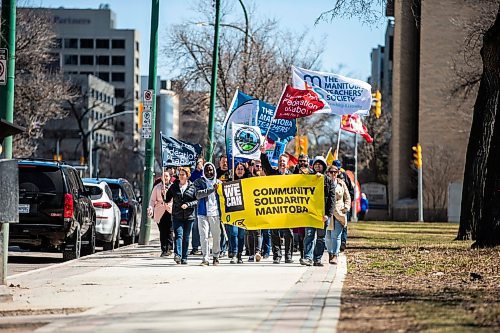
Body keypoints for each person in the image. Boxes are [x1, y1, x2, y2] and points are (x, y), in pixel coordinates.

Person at [260, 145, 294, 264]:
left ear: (287, 163)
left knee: (288, 233)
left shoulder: (293, 176)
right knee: (274, 233)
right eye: (280, 161)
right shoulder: (273, 173)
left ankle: (288, 256)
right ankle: (277, 255)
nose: (281, 163)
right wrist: (263, 154)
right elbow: (266, 165)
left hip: (288, 210)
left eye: (283, 161)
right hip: (275, 209)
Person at [300, 156, 335, 267]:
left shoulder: (328, 180)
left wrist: (328, 214)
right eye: (316, 164)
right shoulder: (307, 178)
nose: (317, 166)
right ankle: (308, 258)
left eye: (320, 164)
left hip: (323, 215)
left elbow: (331, 199)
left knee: (321, 238)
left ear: (324, 166)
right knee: (309, 236)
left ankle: (317, 259)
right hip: (310, 214)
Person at [164, 167, 198, 265]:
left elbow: (196, 201)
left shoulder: (192, 186)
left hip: (189, 216)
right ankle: (177, 255)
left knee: (186, 237)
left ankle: (184, 257)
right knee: (178, 235)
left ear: (187, 176)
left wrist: (188, 204)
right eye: (180, 174)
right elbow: (167, 199)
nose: (181, 176)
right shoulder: (174, 186)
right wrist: (164, 194)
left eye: (183, 174)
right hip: (177, 215)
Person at [193, 162, 222, 266]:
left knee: (216, 236)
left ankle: (216, 256)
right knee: (204, 236)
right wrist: (211, 189)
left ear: (214, 170)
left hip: (215, 213)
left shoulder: (219, 183)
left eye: (211, 170)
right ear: (204, 171)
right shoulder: (198, 182)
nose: (209, 172)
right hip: (202, 213)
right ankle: (205, 258)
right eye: (207, 170)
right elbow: (197, 194)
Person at [325, 165, 351, 264]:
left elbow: (347, 197)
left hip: (339, 212)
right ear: (327, 173)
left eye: (335, 172)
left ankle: (335, 255)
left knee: (336, 235)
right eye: (331, 172)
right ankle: (330, 253)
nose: (333, 174)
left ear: (338, 173)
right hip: (327, 213)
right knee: (327, 236)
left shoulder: (341, 183)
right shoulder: (324, 182)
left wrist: (346, 208)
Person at [147, 170, 174, 257]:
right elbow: (152, 200)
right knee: (162, 231)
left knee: (170, 230)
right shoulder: (157, 187)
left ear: (170, 177)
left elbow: (175, 199)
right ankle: (164, 249)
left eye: (167, 176)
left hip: (170, 210)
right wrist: (151, 208)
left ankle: (169, 248)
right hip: (160, 211)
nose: (165, 178)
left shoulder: (173, 187)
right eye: (163, 176)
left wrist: (171, 205)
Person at [228, 162, 250, 264]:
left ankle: (240, 254)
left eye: (242, 169)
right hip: (233, 212)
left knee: (241, 235)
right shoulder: (230, 181)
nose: (240, 171)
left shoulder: (248, 181)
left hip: (244, 213)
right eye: (238, 169)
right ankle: (234, 254)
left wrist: (247, 167)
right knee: (233, 233)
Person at [293, 153, 313, 259]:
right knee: (301, 234)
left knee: (309, 234)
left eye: (304, 161)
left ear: (308, 162)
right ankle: (303, 255)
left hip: (310, 208)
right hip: (299, 208)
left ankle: (308, 254)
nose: (302, 163)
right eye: (300, 161)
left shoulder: (313, 173)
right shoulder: (294, 173)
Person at [333, 160, 354, 252]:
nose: (335, 172)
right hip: (333, 208)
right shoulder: (329, 178)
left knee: (343, 224)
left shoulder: (345, 177)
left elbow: (350, 192)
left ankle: (342, 242)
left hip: (342, 207)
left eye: (337, 169)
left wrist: (347, 205)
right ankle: (335, 244)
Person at [189, 158, 205, 256]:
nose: (198, 164)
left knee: (205, 226)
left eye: (200, 162)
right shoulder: (193, 174)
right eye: (197, 162)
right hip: (195, 202)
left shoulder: (205, 172)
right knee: (195, 226)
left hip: (205, 202)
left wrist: (203, 170)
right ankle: (195, 247)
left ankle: (204, 247)